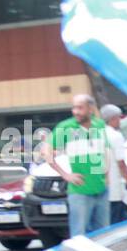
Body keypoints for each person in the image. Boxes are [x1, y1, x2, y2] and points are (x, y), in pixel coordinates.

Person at [45, 94, 110, 237]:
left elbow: (106, 151)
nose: (75, 111)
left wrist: (106, 176)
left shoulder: (99, 125)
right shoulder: (66, 127)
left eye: (80, 108)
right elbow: (46, 151)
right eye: (74, 107)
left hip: (102, 190)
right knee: (79, 236)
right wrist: (65, 175)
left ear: (91, 109)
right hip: (80, 191)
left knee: (104, 236)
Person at [99, 103, 127, 225]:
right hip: (114, 189)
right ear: (113, 119)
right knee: (118, 224)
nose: (120, 121)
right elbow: (121, 164)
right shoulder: (115, 136)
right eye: (119, 118)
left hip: (99, 189)